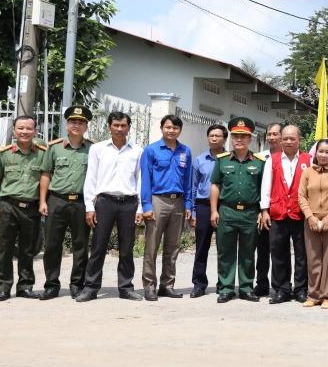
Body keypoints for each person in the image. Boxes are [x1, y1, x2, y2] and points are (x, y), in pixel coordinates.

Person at [77, 111, 144, 302]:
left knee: (127, 247)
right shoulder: (98, 149)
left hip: (129, 203)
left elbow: (140, 179)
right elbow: (91, 178)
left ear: (129, 127)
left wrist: (139, 207)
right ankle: (91, 288)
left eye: (123, 126)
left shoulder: (137, 151)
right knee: (98, 246)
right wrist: (89, 206)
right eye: (116, 125)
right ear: (109, 126)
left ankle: (126, 287)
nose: (119, 129)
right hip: (104, 202)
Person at [0, 115, 48, 301]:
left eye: (29, 128)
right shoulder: (4, 153)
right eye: (21, 128)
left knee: (28, 249)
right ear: (14, 131)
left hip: (31, 207)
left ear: (35, 131)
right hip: (8, 206)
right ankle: (4, 287)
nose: (24, 132)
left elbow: (46, 177)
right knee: (4, 248)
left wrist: (43, 202)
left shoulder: (42, 152)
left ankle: (25, 286)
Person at [38, 106, 93, 300]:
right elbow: (46, 174)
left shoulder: (93, 149)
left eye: (81, 122)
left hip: (81, 203)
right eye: (73, 122)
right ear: (67, 124)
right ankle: (51, 285)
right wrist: (43, 201)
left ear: (86, 126)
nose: (76, 125)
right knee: (52, 245)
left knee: (81, 245)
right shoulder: (54, 148)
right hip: (57, 200)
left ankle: (77, 284)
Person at [210, 117, 266, 303]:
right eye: (235, 136)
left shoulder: (259, 162)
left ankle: (246, 287)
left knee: (248, 252)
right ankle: (225, 288)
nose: (239, 139)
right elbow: (215, 186)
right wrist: (214, 211)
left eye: (243, 136)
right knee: (226, 252)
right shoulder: (223, 161)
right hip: (227, 211)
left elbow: (263, 189)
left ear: (250, 139)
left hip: (250, 213)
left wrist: (261, 211)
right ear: (231, 139)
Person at [140, 114, 193, 301]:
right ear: (162, 128)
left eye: (175, 128)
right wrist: (146, 205)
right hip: (157, 201)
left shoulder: (185, 151)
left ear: (180, 130)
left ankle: (167, 285)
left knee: (173, 246)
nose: (171, 131)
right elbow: (145, 179)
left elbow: (188, 180)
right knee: (152, 246)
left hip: (178, 202)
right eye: (168, 127)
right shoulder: (151, 150)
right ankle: (149, 285)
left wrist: (188, 204)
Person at [259, 124, 313, 304]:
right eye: (285, 138)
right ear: (281, 140)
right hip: (278, 213)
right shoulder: (272, 160)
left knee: (302, 254)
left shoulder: (308, 159)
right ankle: (281, 289)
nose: (289, 141)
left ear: (299, 140)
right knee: (278, 253)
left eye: (292, 138)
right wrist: (264, 210)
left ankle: (301, 289)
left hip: (301, 214)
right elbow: (266, 186)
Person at [298, 138, 328, 309]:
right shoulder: (307, 172)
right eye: (321, 151)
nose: (324, 155)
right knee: (313, 258)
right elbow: (301, 196)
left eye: (327, 152)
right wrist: (310, 217)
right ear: (316, 153)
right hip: (311, 220)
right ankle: (313, 295)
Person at [190, 124, 228, 298]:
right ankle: (199, 283)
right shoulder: (200, 160)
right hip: (203, 206)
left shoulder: (230, 159)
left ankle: (224, 283)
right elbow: (193, 186)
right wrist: (193, 211)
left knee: (224, 247)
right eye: (211, 135)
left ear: (224, 139)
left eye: (218, 136)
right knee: (201, 247)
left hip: (225, 206)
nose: (214, 138)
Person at [252, 122, 282, 297]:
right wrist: (260, 210)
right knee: (262, 250)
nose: (271, 137)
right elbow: (256, 186)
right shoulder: (260, 158)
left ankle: (281, 285)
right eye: (269, 134)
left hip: (282, 210)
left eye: (275, 134)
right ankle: (262, 283)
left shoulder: (289, 157)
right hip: (263, 211)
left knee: (280, 250)